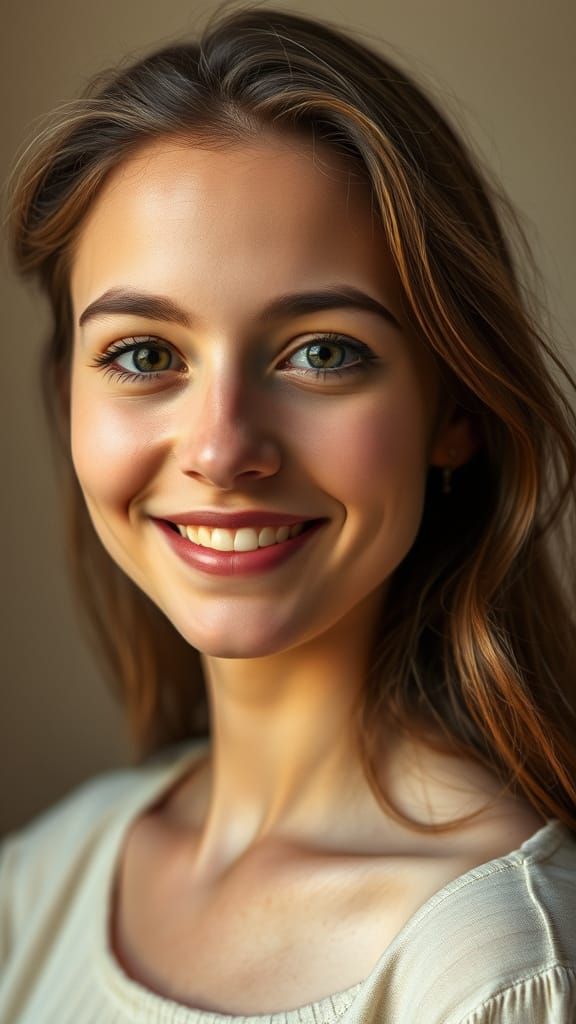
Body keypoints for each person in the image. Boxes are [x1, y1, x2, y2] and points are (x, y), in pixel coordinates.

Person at [2, 3, 575, 1021]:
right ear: (67, 397)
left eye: (322, 352)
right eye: (145, 354)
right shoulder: (33, 884)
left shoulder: (495, 967)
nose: (223, 449)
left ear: (456, 411)